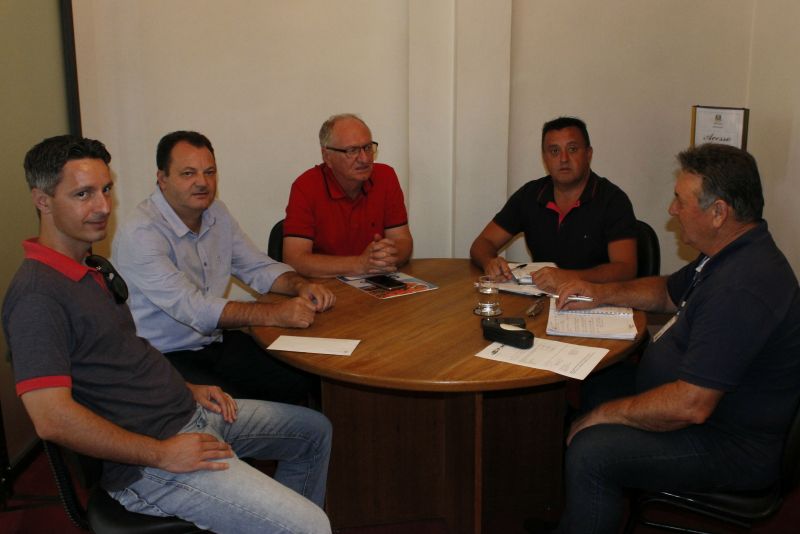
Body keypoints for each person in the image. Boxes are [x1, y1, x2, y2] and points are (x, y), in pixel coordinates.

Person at [3, 135, 333, 534]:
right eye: (83, 194)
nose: (103, 206)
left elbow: (127, 354)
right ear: (42, 200)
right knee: (312, 525)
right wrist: (160, 453)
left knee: (314, 432)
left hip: (186, 411)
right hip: (150, 461)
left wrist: (188, 388)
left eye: (106, 189)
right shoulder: (37, 295)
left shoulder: (90, 269)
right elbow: (52, 419)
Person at [548, 143, 800, 533]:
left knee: (591, 451)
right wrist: (601, 292)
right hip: (705, 409)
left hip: (727, 442)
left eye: (681, 200)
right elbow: (667, 291)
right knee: (599, 382)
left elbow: (690, 406)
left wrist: (603, 416)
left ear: (719, 212)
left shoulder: (742, 289)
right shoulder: (728, 252)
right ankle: (584, 513)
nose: (671, 209)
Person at [113, 131, 335, 404]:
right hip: (163, 356)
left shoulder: (216, 212)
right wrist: (275, 313)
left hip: (213, 341)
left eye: (209, 172)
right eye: (188, 173)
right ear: (162, 179)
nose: (202, 182)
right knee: (241, 408)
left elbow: (256, 267)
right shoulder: (141, 233)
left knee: (302, 380)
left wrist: (300, 285)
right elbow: (194, 308)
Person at [470, 116, 637, 293]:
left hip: (594, 299)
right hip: (541, 297)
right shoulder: (530, 195)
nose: (563, 159)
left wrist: (568, 276)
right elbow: (482, 243)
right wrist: (490, 262)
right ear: (545, 158)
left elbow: (626, 269)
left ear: (588, 154)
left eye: (572, 149)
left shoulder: (613, 200)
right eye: (554, 151)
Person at [283, 114, 413, 277]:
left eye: (367, 148)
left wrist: (387, 255)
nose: (364, 159)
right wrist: (359, 264)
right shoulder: (305, 187)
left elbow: (403, 241)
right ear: (327, 156)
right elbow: (294, 259)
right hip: (327, 286)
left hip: (375, 281)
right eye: (352, 151)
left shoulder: (385, 176)